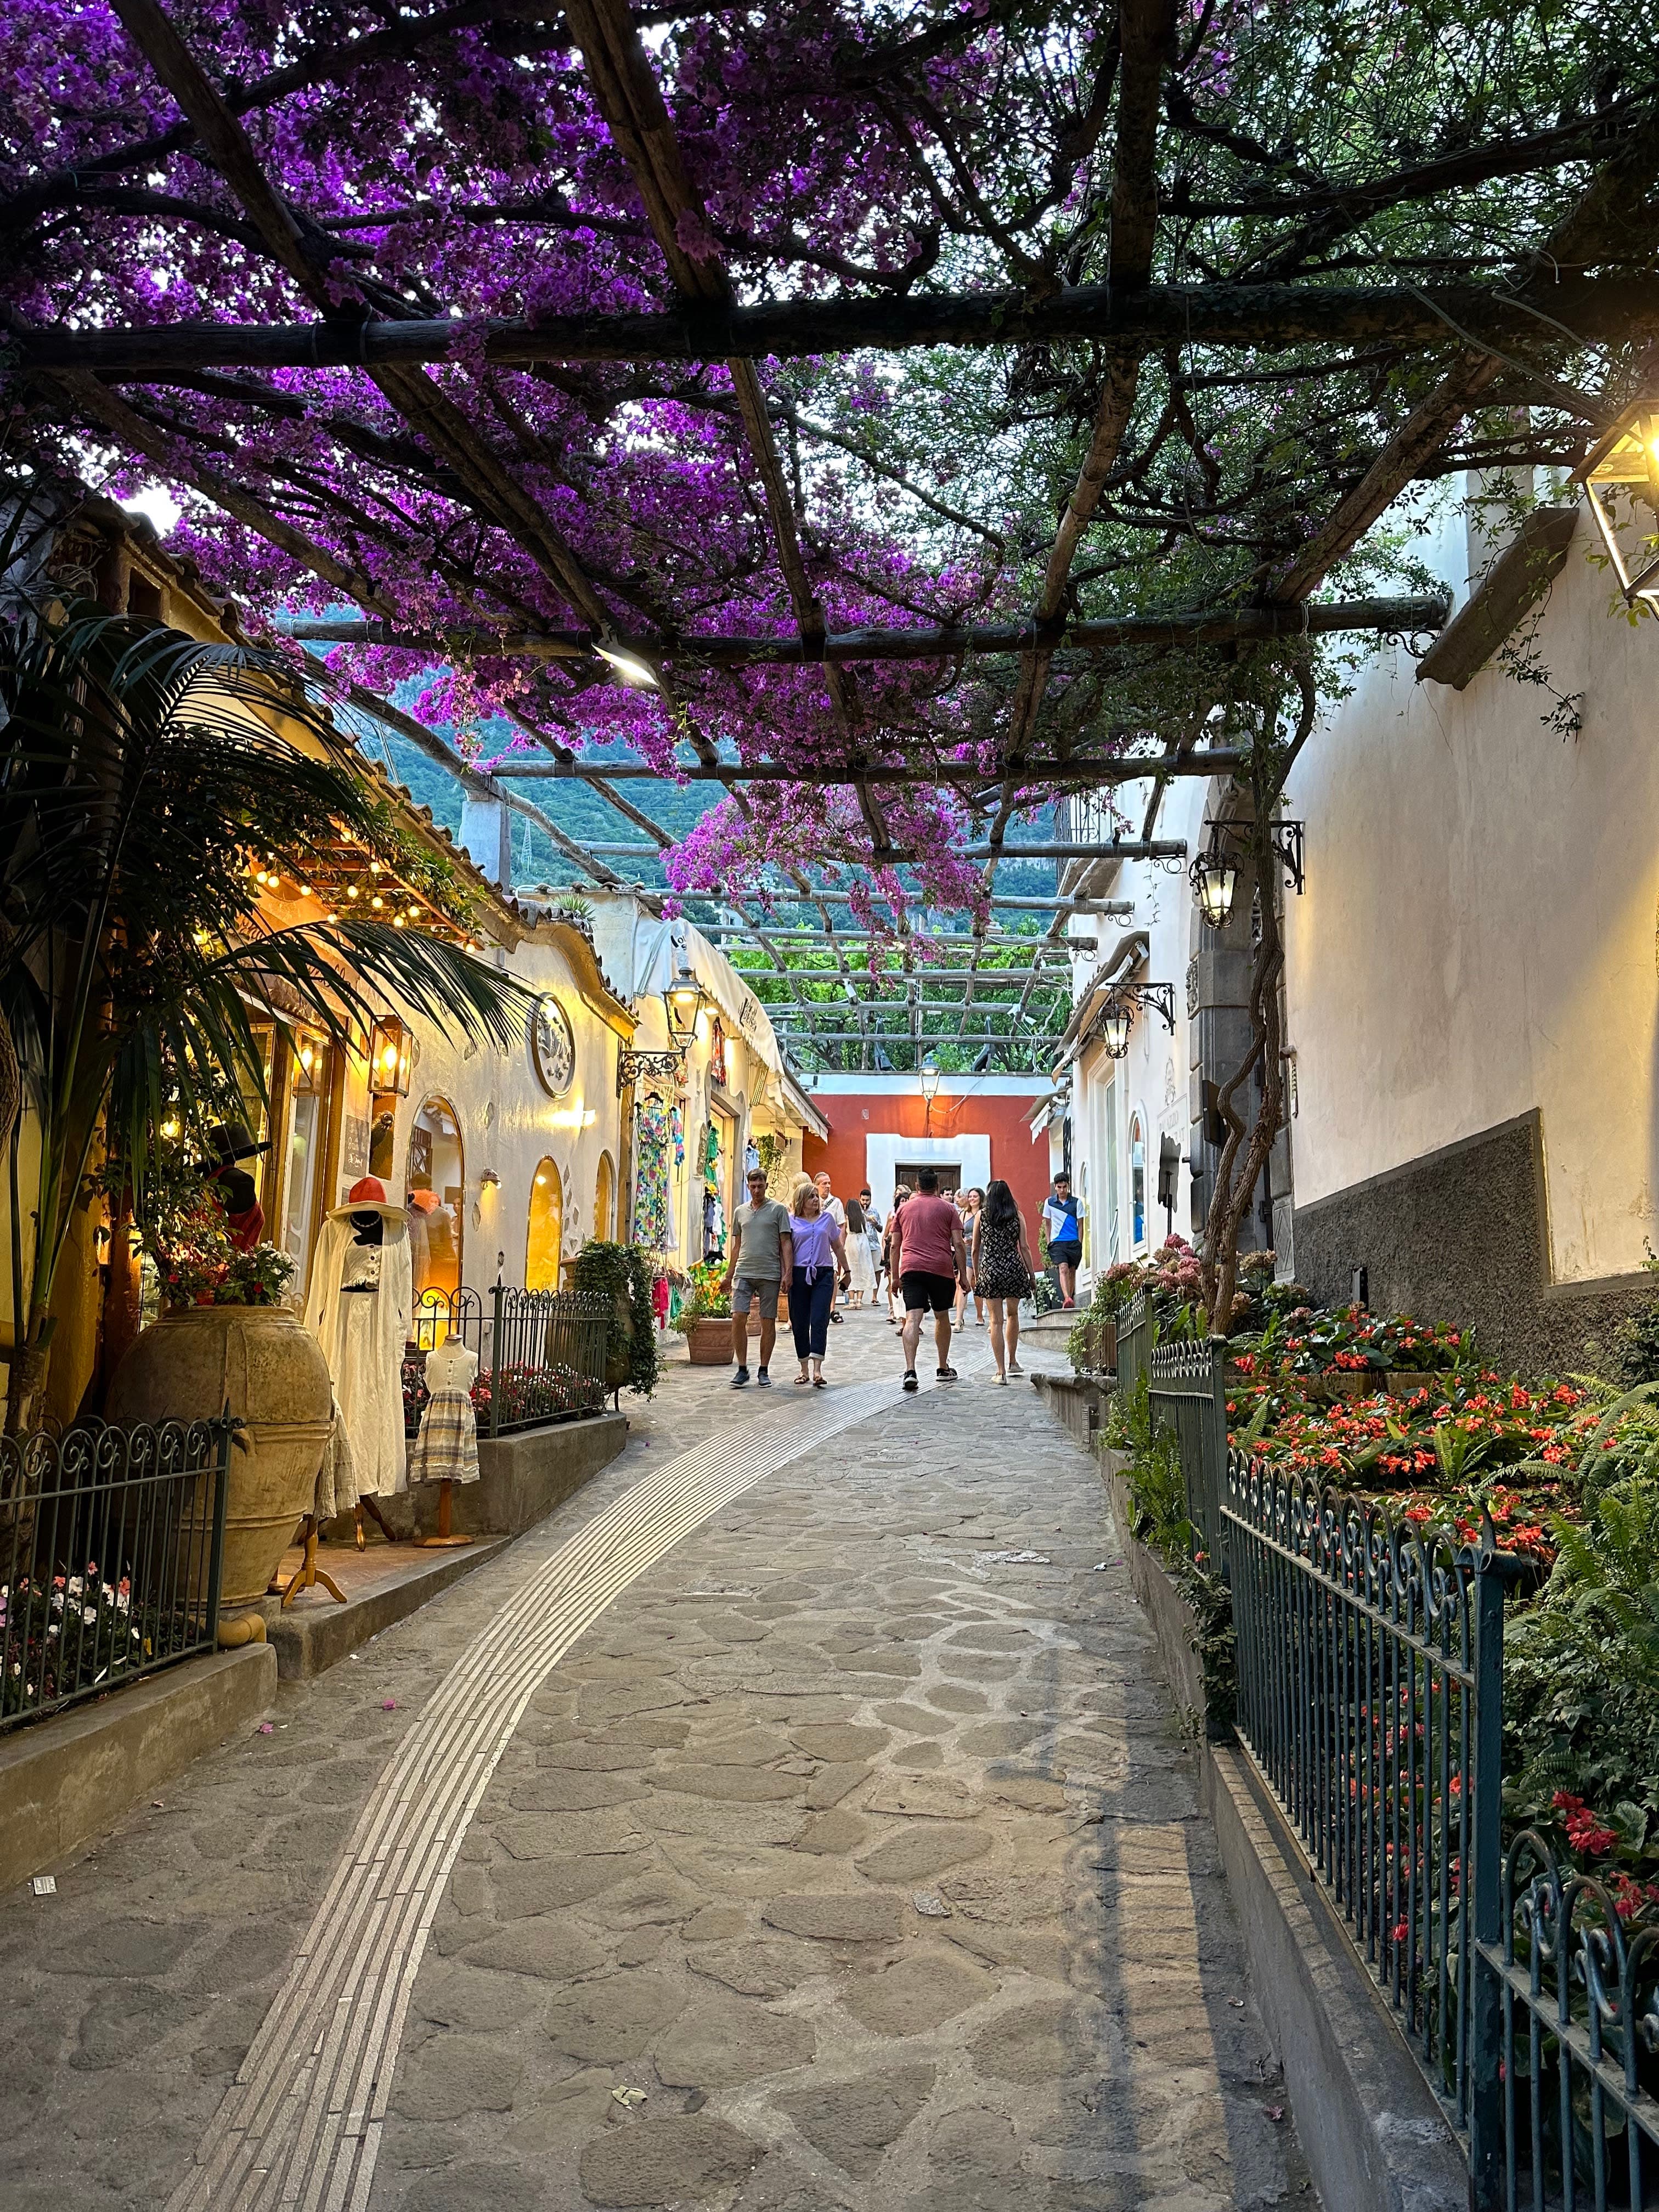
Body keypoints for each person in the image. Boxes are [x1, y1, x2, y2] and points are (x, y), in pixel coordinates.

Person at [892, 1166, 968, 1392]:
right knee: (942, 1317)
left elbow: (895, 1244)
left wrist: (895, 1277)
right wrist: (964, 1276)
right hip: (941, 1269)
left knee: (912, 1318)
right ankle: (943, 1368)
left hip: (912, 1269)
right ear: (937, 1187)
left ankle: (910, 1370)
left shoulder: (904, 1210)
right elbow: (959, 1243)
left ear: (917, 1186)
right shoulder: (949, 1209)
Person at [723, 1165, 793, 1388]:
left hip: (769, 1272)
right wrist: (729, 1274)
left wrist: (787, 1272)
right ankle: (742, 1368)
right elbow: (736, 1245)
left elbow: (785, 1243)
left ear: (766, 1186)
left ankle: (764, 1369)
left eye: (760, 1186)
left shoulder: (778, 1210)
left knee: (767, 1321)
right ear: (748, 1186)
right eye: (752, 1186)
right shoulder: (740, 1212)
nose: (756, 1190)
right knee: (738, 1317)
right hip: (744, 1271)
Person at [787, 1177, 850, 1385]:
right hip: (798, 1274)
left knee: (820, 1319)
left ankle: (817, 1370)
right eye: (811, 1196)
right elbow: (784, 1250)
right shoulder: (791, 1221)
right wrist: (785, 1274)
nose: (816, 1199)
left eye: (816, 1196)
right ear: (801, 1200)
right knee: (800, 1321)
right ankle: (803, 1368)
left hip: (823, 1274)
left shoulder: (827, 1220)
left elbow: (838, 1245)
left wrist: (846, 1270)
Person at [976, 1178, 1037, 1384]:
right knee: (1013, 1315)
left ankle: (1000, 1371)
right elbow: (1025, 1247)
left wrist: (977, 1274)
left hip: (991, 1269)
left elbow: (976, 1248)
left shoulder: (981, 1217)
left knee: (995, 1321)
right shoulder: (1017, 1216)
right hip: (1013, 1269)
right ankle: (1013, 1361)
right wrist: (1031, 1275)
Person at [1043, 1171, 1083, 1307]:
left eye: (1064, 1187)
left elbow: (1081, 1224)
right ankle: (1066, 1298)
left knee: (1072, 1270)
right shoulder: (1049, 1203)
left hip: (1073, 1241)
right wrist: (1049, 1242)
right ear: (1055, 1187)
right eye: (1059, 1187)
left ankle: (1070, 1298)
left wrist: (1080, 1243)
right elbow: (1047, 1224)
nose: (1062, 1190)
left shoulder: (1077, 1203)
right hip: (1057, 1242)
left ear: (1068, 1186)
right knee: (1063, 1268)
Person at [843, 1189, 875, 1307]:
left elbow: (844, 1231)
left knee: (851, 1269)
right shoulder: (862, 1217)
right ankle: (859, 1301)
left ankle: (851, 1301)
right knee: (863, 1269)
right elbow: (871, 1219)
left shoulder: (847, 1218)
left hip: (851, 1242)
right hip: (863, 1243)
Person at [882, 1187, 909, 1324]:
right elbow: (886, 1236)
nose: (904, 1202)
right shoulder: (893, 1216)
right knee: (895, 1284)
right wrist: (884, 1252)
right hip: (896, 1253)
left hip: (909, 1253)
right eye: (901, 1199)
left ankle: (911, 1321)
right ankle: (898, 1316)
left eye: (906, 1200)